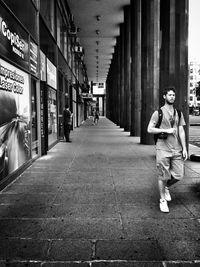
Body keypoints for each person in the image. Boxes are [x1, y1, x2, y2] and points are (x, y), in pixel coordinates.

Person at [147, 87, 187, 213]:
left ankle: (166, 188)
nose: (172, 97)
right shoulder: (158, 113)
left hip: (176, 149)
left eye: (173, 95)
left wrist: (185, 148)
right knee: (163, 175)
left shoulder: (178, 113)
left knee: (179, 175)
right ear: (164, 96)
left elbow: (181, 130)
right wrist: (165, 130)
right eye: (169, 95)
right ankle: (162, 200)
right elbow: (150, 129)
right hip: (162, 147)